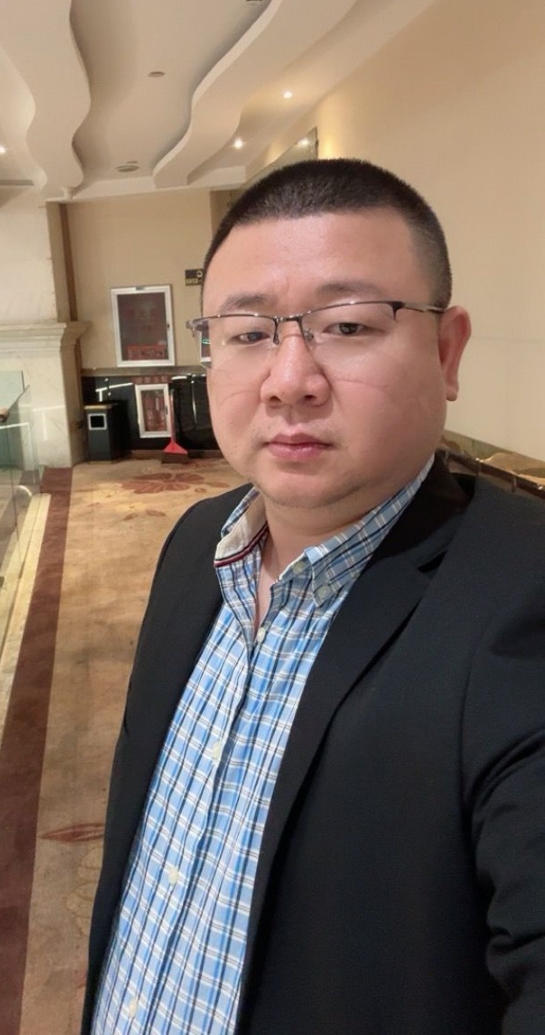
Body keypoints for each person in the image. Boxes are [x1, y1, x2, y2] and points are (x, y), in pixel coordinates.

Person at [83, 158, 545, 1034]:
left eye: (347, 325)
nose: (288, 379)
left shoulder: (522, 601)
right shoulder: (196, 546)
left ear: (447, 352)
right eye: (248, 333)